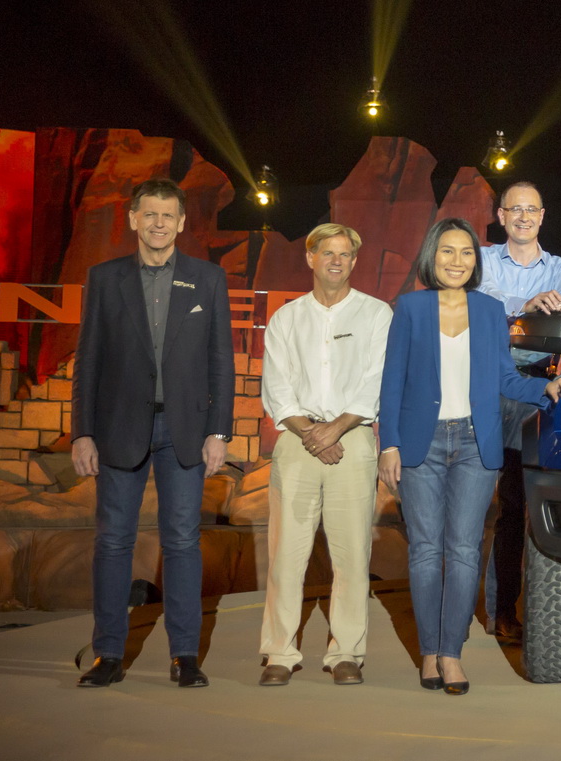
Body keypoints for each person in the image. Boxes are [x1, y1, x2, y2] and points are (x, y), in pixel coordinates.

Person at [378, 218, 561, 695]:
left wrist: (545, 386)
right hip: (419, 444)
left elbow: (505, 380)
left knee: (466, 551)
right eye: (447, 252)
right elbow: (391, 381)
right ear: (433, 256)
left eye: (466, 253)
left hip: (475, 443)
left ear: (476, 261)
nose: (456, 261)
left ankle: (452, 654)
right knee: (427, 551)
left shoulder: (490, 311)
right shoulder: (409, 308)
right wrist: (388, 443)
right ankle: (429, 650)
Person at [72, 178, 234, 688]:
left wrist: (219, 432)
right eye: (151, 215)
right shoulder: (104, 278)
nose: (159, 223)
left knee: (183, 540)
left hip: (185, 430)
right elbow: (89, 361)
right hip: (119, 427)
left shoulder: (208, 279)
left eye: (169, 215)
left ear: (183, 222)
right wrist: (82, 432)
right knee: (114, 541)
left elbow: (221, 363)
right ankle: (108, 655)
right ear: (133, 219)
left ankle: (185, 655)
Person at [256, 223, 392, 686]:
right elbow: (276, 385)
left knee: (352, 553)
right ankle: (279, 652)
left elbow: (376, 380)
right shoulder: (287, 317)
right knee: (286, 555)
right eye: (327, 253)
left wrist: (335, 429)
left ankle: (346, 653)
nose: (336, 261)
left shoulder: (376, 314)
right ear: (310, 258)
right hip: (297, 439)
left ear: (355, 262)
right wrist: (310, 431)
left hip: (352, 438)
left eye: (345, 254)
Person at [475, 181, 561, 638]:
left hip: (530, 392)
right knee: (468, 505)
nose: (523, 217)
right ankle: (454, 611)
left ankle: (504, 612)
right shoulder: (482, 259)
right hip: (479, 385)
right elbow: (481, 300)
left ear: (543, 216)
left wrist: (554, 302)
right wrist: (529, 304)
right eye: (514, 210)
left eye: (531, 210)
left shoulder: (556, 266)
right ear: (501, 216)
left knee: (518, 507)